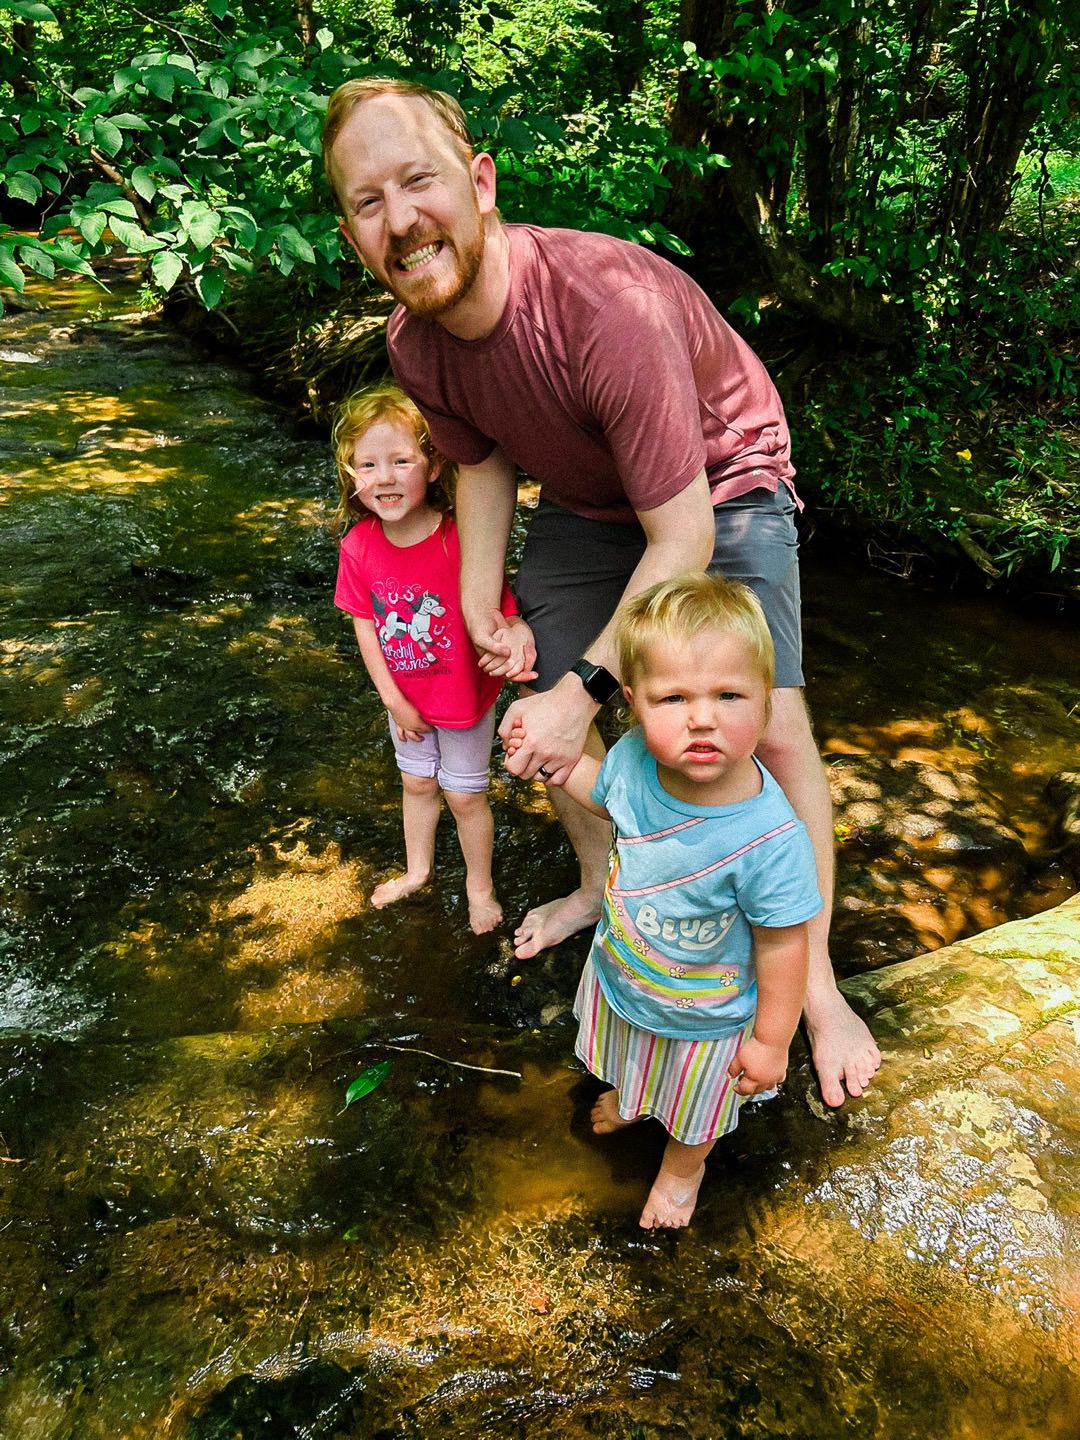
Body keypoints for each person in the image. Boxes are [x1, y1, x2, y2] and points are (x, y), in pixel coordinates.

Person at [321, 77, 880, 1107]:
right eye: (367, 201)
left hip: (721, 479)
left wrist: (587, 681)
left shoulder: (602, 306)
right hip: (590, 498)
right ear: (352, 228)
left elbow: (685, 535)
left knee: (775, 722)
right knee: (537, 714)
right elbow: (482, 459)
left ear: (480, 184)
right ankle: (601, 886)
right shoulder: (413, 341)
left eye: (418, 182)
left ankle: (818, 990)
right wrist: (488, 608)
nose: (399, 220)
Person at [508, 573, 820, 1228]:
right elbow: (607, 794)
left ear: (765, 703)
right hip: (628, 978)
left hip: (708, 1021)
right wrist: (562, 766)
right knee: (631, 1056)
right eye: (673, 697)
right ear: (633, 702)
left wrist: (771, 1041)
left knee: (697, 1105)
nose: (701, 717)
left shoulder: (769, 840)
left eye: (728, 695)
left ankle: (683, 1171)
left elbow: (784, 944)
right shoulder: (634, 762)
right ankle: (634, 1097)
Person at [331, 382, 535, 934]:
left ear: (435, 465)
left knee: (465, 797)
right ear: (352, 476)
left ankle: (479, 886)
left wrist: (512, 635)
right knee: (418, 785)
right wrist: (392, 700)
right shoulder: (358, 547)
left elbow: (499, 608)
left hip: (463, 700)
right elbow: (366, 627)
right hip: (407, 701)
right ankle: (417, 870)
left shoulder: (460, 538)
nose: (386, 477)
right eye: (367, 465)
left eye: (401, 460)